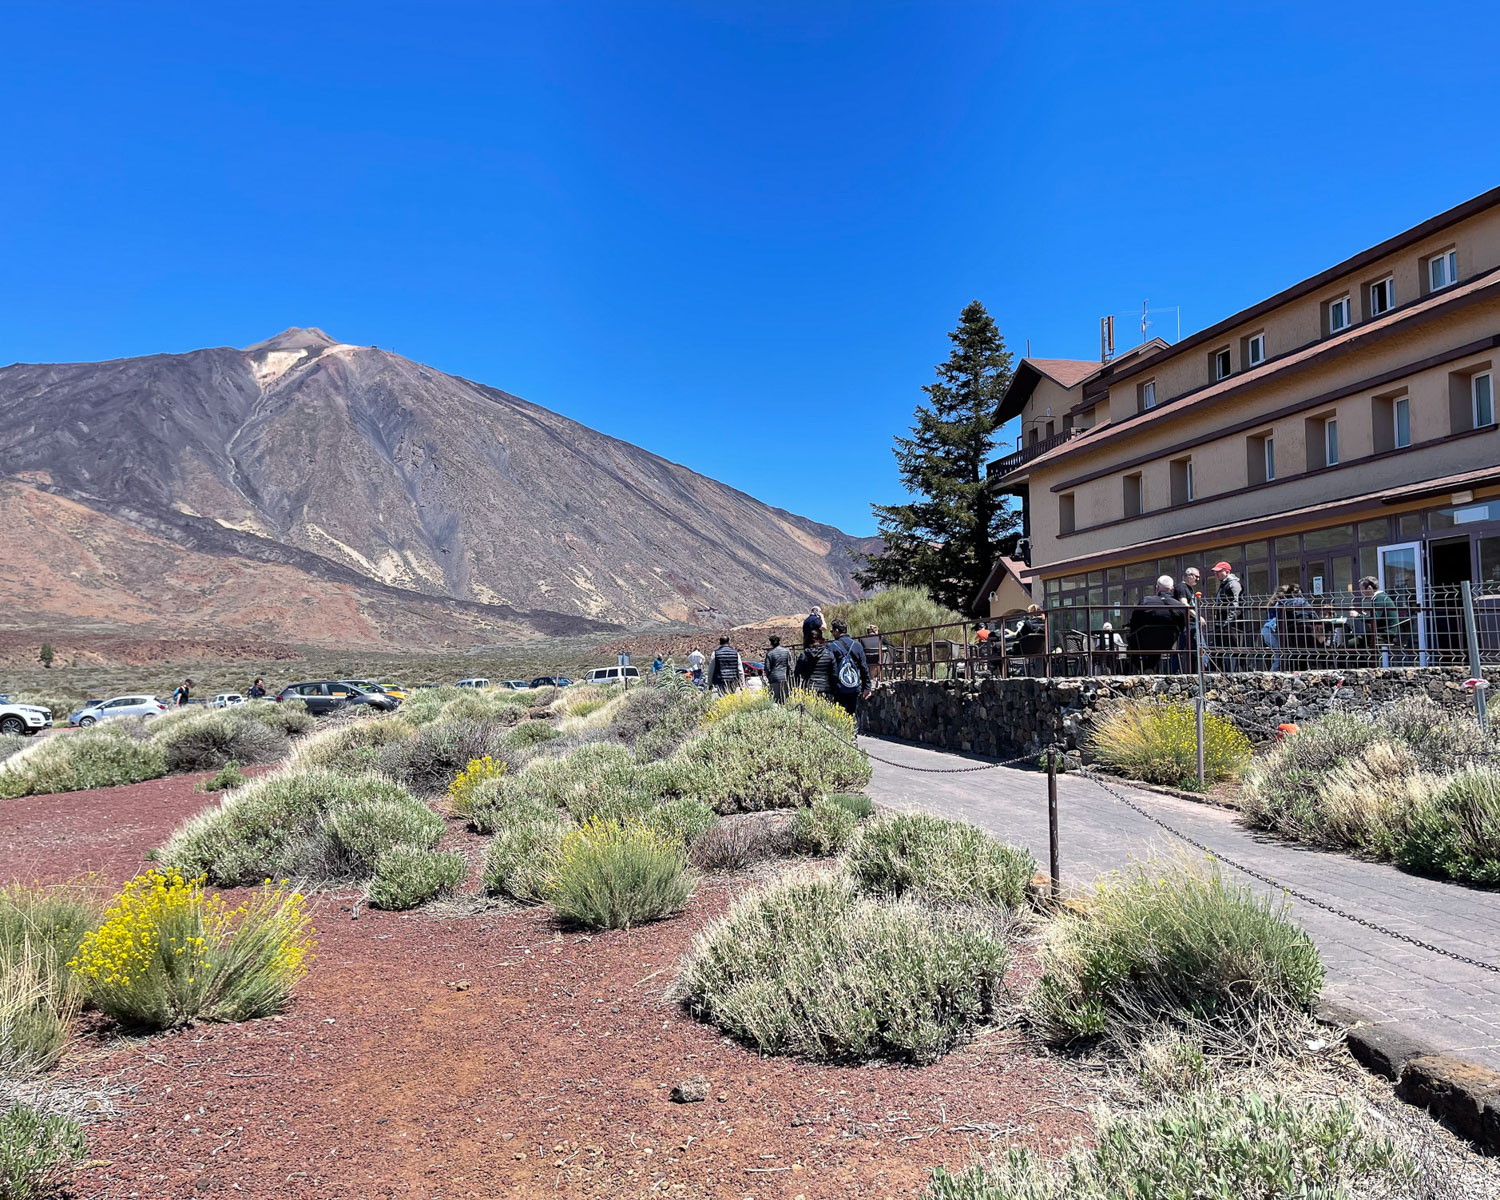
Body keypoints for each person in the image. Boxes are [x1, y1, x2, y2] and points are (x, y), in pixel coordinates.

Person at [1124, 577, 1187, 674]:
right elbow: (1182, 626)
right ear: (1172, 589)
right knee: (1158, 644)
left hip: (1144, 642)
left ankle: (1144, 669)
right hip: (1168, 644)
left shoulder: (1146, 601)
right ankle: (1148, 668)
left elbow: (1134, 622)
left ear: (1157, 588)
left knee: (1132, 644)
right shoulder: (1178, 605)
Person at [824, 618, 871, 720]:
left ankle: (843, 733)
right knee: (851, 711)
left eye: (832, 631)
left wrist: (828, 688)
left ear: (837, 631)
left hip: (838, 686)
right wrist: (866, 687)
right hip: (853, 686)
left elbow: (828, 668)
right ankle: (852, 731)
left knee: (838, 714)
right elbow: (864, 667)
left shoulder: (831, 647)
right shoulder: (857, 646)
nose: (832, 633)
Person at [1353, 575, 1402, 661]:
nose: (1361, 592)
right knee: (1357, 645)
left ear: (1369, 589)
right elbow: (1377, 617)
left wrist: (1357, 615)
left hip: (1384, 636)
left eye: (1362, 589)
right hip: (1384, 633)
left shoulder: (1379, 598)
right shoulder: (1380, 597)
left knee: (1348, 645)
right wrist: (1365, 615)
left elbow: (1375, 618)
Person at [1209, 561, 1244, 671]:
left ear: (1227, 571)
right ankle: (1220, 671)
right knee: (1219, 650)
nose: (1216, 574)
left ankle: (1237, 672)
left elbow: (1235, 605)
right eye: (1216, 572)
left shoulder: (1233, 584)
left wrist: (1227, 623)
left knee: (1233, 650)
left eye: (1219, 572)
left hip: (1232, 625)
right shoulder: (1224, 584)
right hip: (1222, 624)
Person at [1171, 567, 1204, 673]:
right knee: (1184, 649)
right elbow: (1184, 604)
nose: (1198, 579)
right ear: (1189, 575)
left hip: (1191, 623)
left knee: (1197, 649)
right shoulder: (1181, 587)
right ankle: (1179, 672)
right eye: (1196, 577)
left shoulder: (1189, 588)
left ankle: (1198, 671)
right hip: (1186, 624)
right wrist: (1197, 616)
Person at [764, 635, 794, 703]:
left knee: (775, 700)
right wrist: (791, 677)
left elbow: (767, 668)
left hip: (774, 678)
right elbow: (791, 665)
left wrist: (768, 676)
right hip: (784, 678)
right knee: (785, 699)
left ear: (771, 643)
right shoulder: (786, 651)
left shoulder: (770, 653)